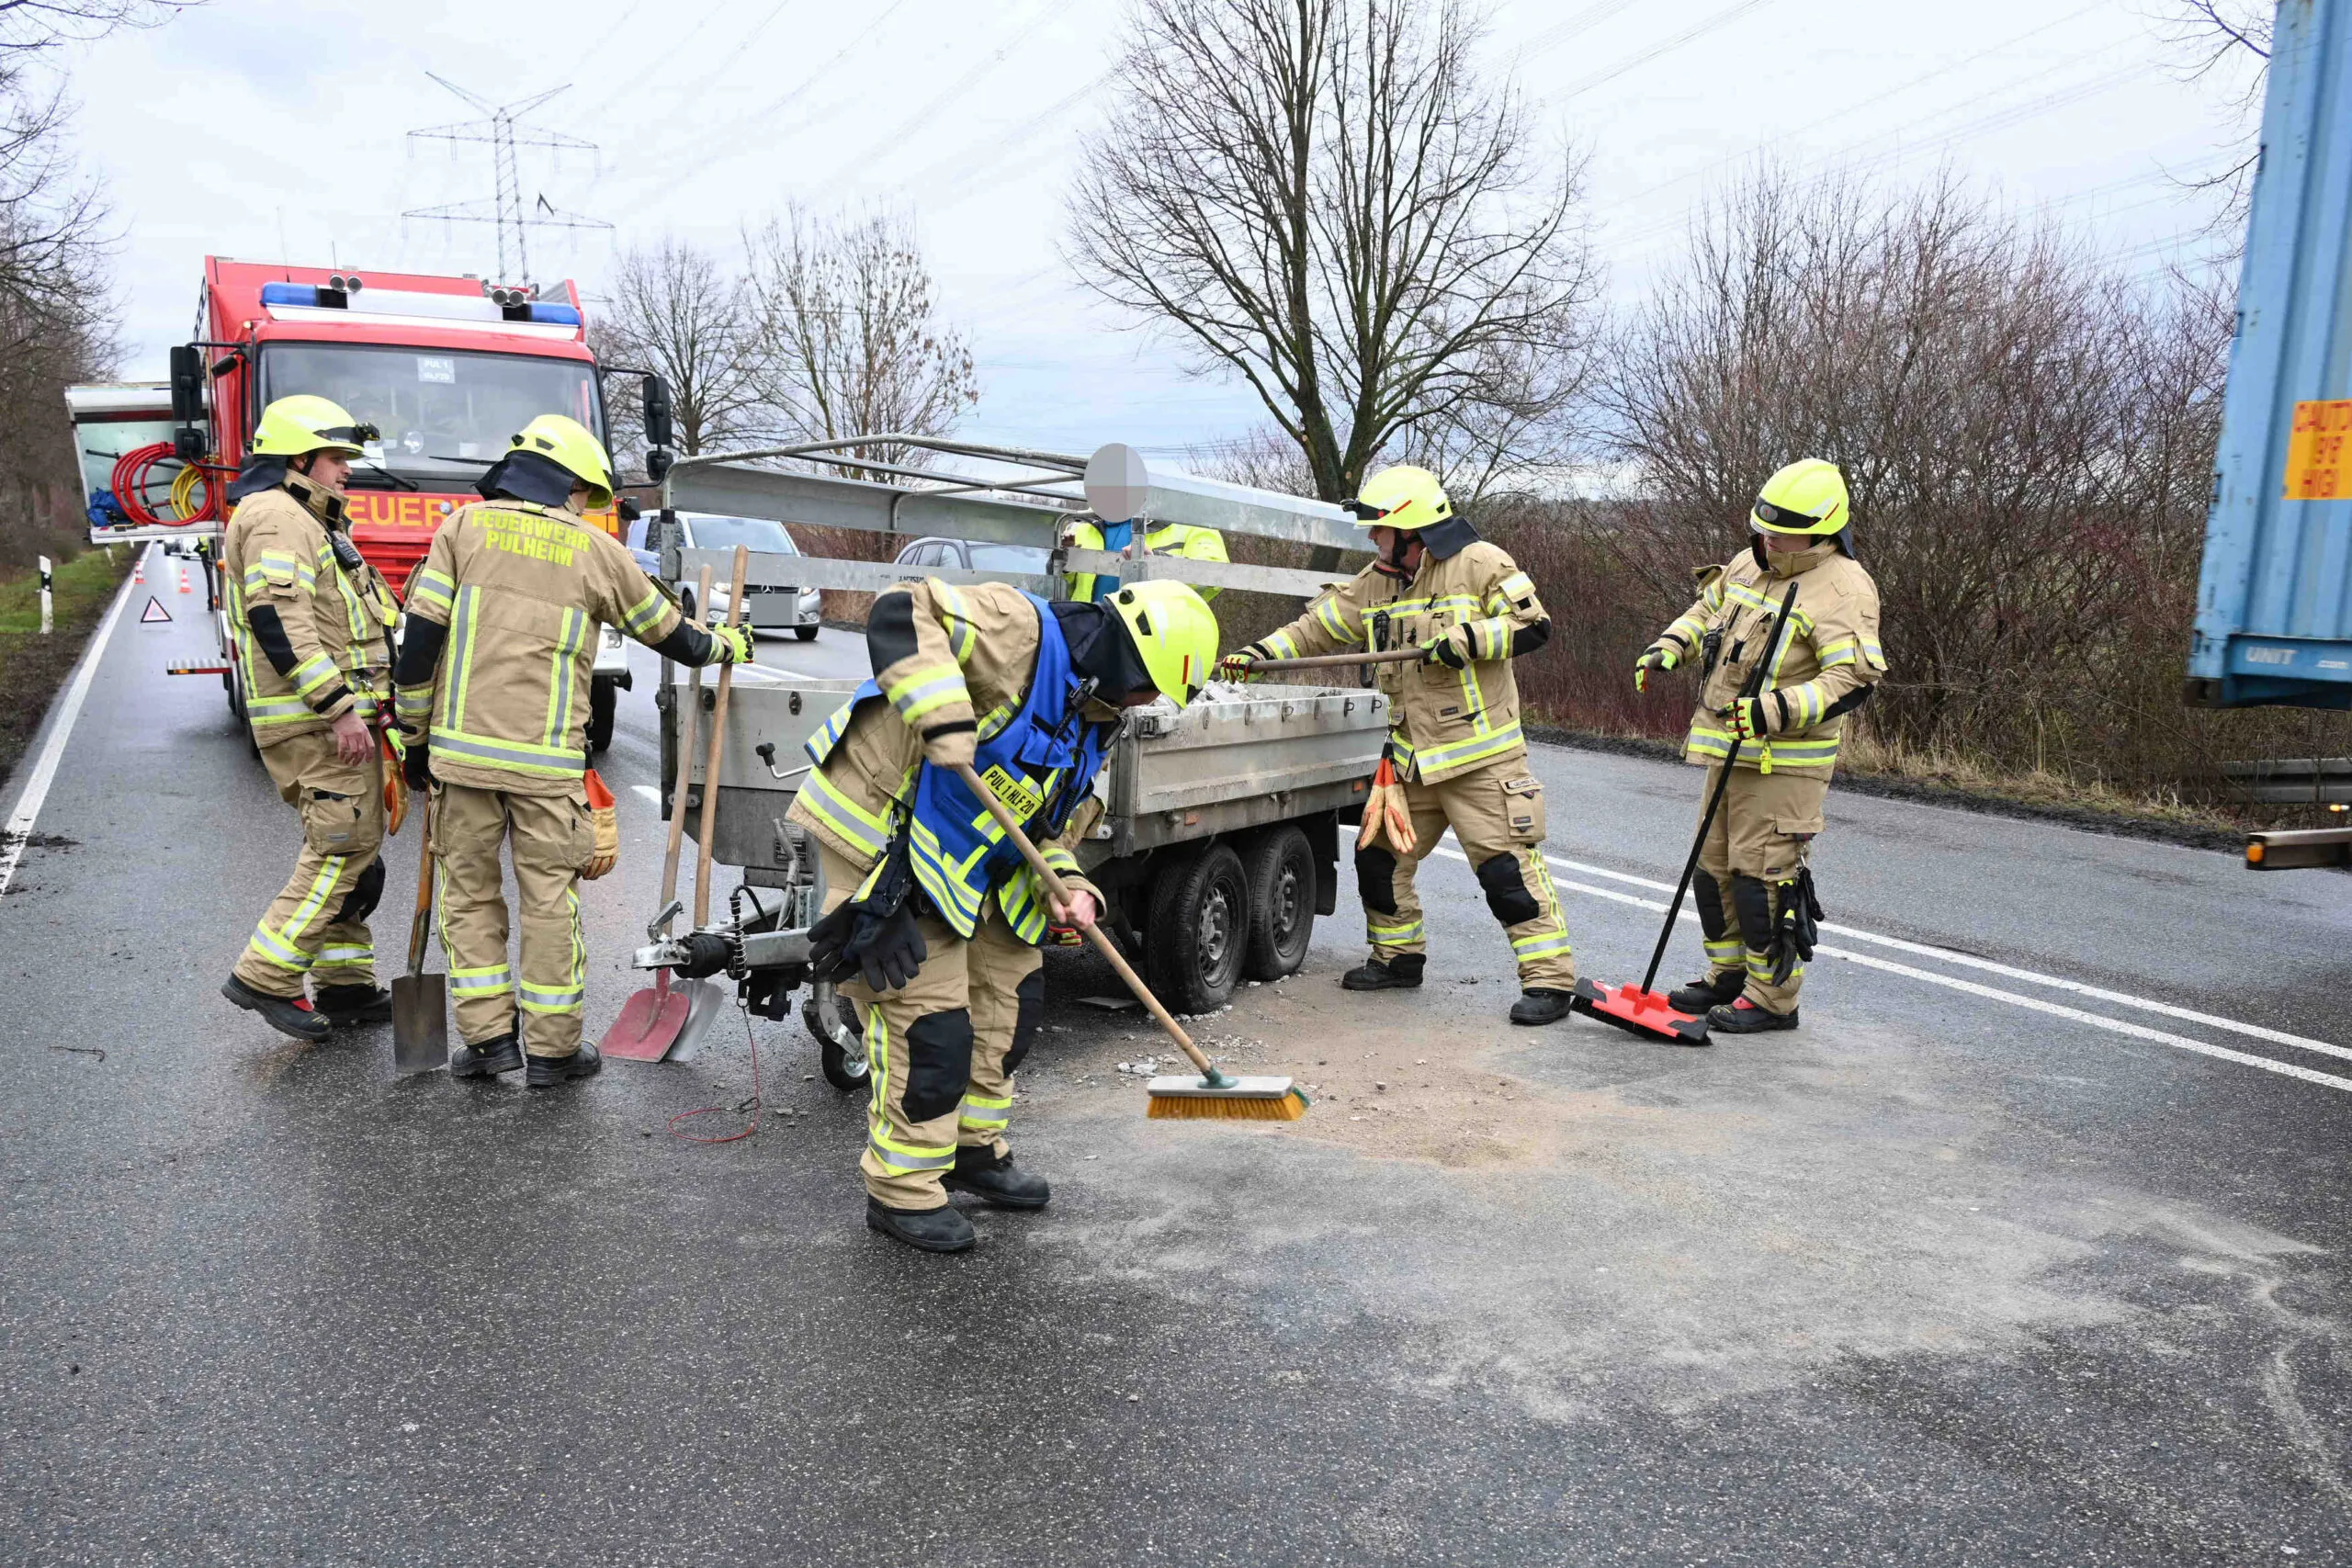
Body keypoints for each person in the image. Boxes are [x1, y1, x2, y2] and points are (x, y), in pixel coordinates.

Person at [786, 575, 1217, 1254]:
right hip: (882, 832)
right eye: (1151, 688)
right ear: (1128, 658)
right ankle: (903, 1190)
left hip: (968, 857)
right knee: (930, 1025)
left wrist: (1069, 884)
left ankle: (972, 1149)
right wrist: (943, 716)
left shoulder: (1093, 718)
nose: (1149, 705)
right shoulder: (1017, 631)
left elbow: (1049, 829)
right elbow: (904, 608)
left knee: (1010, 1003)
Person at [390, 415, 752, 1086]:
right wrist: (726, 644)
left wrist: (415, 741)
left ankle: (489, 1043)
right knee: (549, 903)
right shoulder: (595, 551)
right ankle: (554, 1052)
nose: (585, 505)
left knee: (468, 898)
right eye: (586, 493)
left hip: (461, 762)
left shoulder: (461, 530)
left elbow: (419, 645)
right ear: (570, 485)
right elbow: (671, 634)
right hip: (547, 768)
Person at [1225, 465, 1572, 1025]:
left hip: (1481, 760)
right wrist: (1261, 653)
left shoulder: (1480, 563)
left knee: (1507, 873)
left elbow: (1533, 626)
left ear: (1412, 528)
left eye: (1379, 528)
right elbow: (1317, 627)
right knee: (1379, 859)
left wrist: (1466, 639)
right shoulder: (1377, 581)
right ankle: (1397, 959)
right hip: (1412, 763)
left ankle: (1549, 982)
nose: (1372, 538)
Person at [1634, 457, 1885, 1033]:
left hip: (1785, 763)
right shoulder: (1750, 563)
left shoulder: (1846, 588)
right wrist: (1671, 646)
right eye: (1764, 527)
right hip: (1727, 749)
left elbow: (1851, 679)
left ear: (1821, 530)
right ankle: (1728, 976)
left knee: (1761, 879)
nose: (1769, 540)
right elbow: (1707, 610)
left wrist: (1771, 712)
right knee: (1713, 870)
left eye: (1782, 532)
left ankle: (1773, 999)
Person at [218, 396, 401, 1042]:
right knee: (340, 850)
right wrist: (339, 708)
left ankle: (346, 987)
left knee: (357, 856)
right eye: (336, 457)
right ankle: (265, 976)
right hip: (318, 724)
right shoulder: (276, 516)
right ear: (299, 460)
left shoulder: (306, 518)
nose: (347, 469)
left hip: (334, 721)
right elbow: (278, 618)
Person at [1062, 513, 1227, 603]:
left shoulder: (1192, 525)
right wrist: (1065, 561)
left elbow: (1216, 576)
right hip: (1088, 634)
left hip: (1153, 638)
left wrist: (1156, 562)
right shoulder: (1083, 529)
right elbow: (1067, 589)